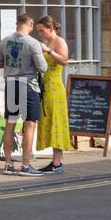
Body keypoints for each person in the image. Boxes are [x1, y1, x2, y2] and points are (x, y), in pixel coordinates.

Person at [0, 12, 48, 176]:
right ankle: (25, 165)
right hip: (28, 86)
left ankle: (8, 164)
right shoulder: (33, 43)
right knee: (30, 124)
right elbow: (43, 68)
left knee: (10, 123)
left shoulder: (4, 41)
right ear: (30, 24)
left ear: (17, 24)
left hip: (11, 84)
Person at [34, 15, 73, 174]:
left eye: (42, 31)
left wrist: (49, 51)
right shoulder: (46, 42)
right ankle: (55, 161)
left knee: (57, 123)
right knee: (49, 122)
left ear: (51, 29)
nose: (40, 34)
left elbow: (64, 61)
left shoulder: (59, 42)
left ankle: (57, 163)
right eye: (38, 31)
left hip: (55, 88)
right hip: (45, 87)